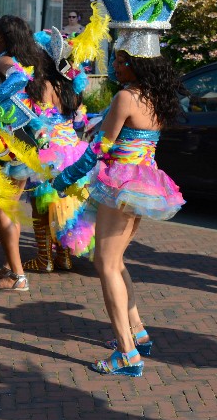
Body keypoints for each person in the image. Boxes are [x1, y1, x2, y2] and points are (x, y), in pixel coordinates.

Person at [52, 50, 185, 376]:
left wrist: (66, 177)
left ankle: (127, 354)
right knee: (116, 261)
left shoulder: (126, 96)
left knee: (105, 264)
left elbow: (101, 147)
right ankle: (136, 332)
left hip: (121, 184)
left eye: (121, 61)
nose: (114, 66)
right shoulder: (154, 95)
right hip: (142, 183)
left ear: (138, 64)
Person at [0, 15, 46, 292]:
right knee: (7, 208)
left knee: (2, 209)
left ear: (2, 36)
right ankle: (10, 264)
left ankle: (17, 275)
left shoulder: (5, 61)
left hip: (5, 147)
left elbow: (17, 80)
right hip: (18, 145)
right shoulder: (13, 58)